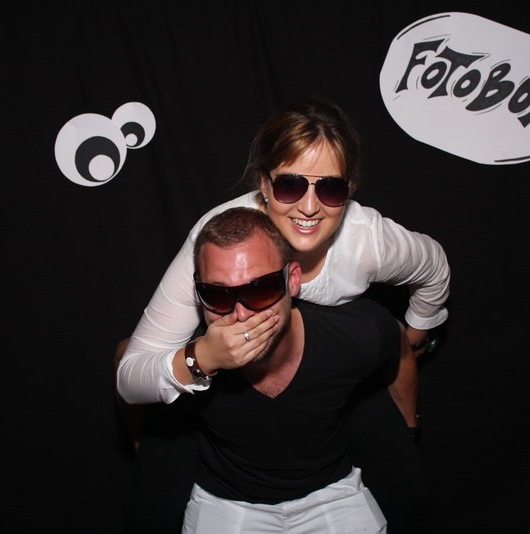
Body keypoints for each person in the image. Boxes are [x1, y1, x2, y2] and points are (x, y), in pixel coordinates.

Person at [117, 96, 443, 532]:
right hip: (229, 414)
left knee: (404, 488)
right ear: (264, 185)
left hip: (327, 372)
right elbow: (131, 372)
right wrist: (203, 357)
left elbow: (434, 269)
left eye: (330, 188)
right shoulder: (221, 242)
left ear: (349, 191)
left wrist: (418, 332)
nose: (309, 207)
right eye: (290, 185)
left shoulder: (369, 242)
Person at [118, 207, 414, 533]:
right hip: (226, 503)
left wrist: (410, 426)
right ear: (198, 293)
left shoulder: (352, 334)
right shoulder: (190, 351)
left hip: (332, 493)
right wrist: (200, 362)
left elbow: (398, 346)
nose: (241, 314)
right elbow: (126, 364)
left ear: (293, 280)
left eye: (260, 290)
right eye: (217, 294)